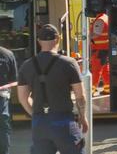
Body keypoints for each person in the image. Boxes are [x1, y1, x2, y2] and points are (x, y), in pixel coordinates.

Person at [17, 24, 88, 154]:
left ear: (39, 41)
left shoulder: (26, 65)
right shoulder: (69, 63)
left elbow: (22, 98)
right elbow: (80, 96)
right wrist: (83, 117)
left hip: (39, 123)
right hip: (64, 122)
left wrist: (35, 114)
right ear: (58, 39)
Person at [0, 46, 17, 154]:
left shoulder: (7, 54)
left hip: (2, 99)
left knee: (3, 128)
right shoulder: (8, 54)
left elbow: (15, 81)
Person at [90, 13, 110, 95]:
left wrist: (87, 37)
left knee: (96, 70)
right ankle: (108, 89)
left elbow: (96, 34)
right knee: (105, 69)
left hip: (98, 49)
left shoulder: (100, 20)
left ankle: (91, 90)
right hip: (105, 49)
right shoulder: (106, 18)